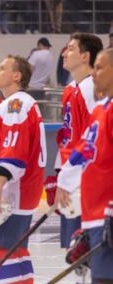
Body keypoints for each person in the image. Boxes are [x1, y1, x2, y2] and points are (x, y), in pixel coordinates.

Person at [0, 55, 47, 283]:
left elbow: (14, 148)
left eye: (2, 68)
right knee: (17, 252)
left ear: (16, 76)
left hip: (13, 190)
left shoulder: (15, 103)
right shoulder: (22, 103)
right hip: (23, 190)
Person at [57, 48, 113, 283]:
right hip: (94, 215)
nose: (95, 74)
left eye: (100, 68)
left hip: (107, 212)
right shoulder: (101, 110)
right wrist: (64, 179)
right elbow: (85, 151)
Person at [54, 33, 103, 254]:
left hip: (84, 180)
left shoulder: (92, 89)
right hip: (70, 175)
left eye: (70, 49)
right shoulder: (71, 88)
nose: (64, 53)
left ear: (85, 56)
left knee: (87, 252)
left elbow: (94, 139)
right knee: (74, 253)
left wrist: (71, 175)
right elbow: (68, 134)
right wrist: (57, 172)